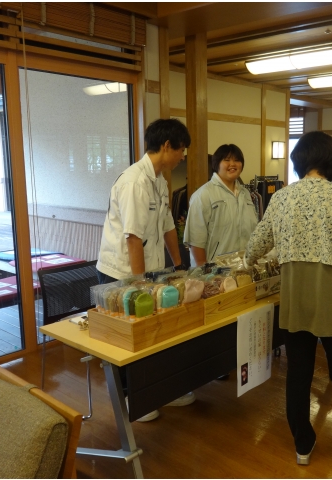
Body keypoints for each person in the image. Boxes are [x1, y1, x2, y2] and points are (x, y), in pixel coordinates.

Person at [245, 131, 332, 479]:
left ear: (300, 160)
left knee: (298, 375)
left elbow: (257, 243)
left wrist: (247, 260)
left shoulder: (282, 198)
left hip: (295, 295)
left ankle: (303, 446)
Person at [96, 118, 194, 422]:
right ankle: (131, 400)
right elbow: (133, 238)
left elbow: (167, 226)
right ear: (166, 146)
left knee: (155, 333)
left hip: (148, 272)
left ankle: (160, 391)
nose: (182, 157)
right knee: (129, 339)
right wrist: (139, 284)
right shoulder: (134, 182)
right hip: (121, 273)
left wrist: (179, 266)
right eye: (181, 150)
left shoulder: (160, 180)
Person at [184, 144, 258, 265]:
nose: (232, 164)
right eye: (227, 160)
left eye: (237, 160)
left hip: (244, 268)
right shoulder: (203, 195)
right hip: (215, 271)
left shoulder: (245, 194)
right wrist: (205, 271)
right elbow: (195, 240)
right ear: (217, 164)